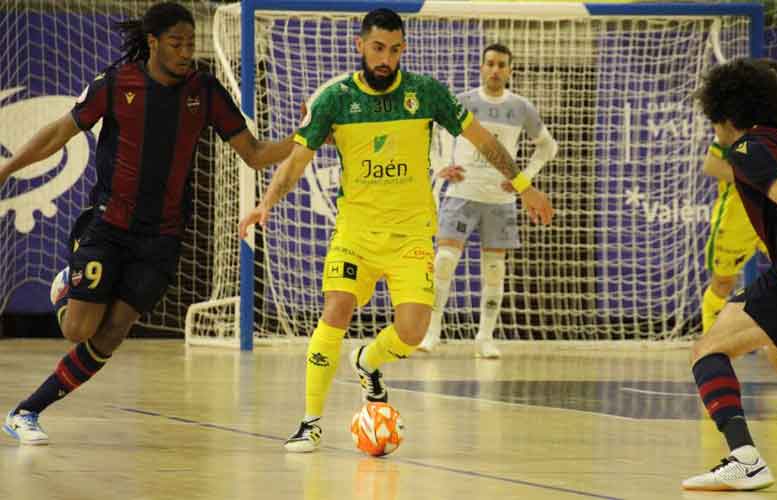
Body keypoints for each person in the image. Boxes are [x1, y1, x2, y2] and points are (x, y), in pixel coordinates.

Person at [238, 8, 554, 453]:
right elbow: (296, 161)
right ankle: (310, 421)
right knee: (337, 309)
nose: (386, 58)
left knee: (411, 331)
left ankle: (367, 361)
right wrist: (265, 204)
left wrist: (525, 187)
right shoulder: (336, 100)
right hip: (356, 234)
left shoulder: (426, 93)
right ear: (360, 46)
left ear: (403, 48)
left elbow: (484, 141)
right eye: (377, 48)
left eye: (395, 49)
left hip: (410, 236)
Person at [0, 2, 293, 445]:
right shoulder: (117, 83)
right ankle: (67, 286)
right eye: (176, 43)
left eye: (191, 43)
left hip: (163, 237)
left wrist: (306, 137)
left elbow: (253, 153)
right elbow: (59, 133)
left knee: (113, 333)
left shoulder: (205, 90)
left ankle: (27, 411)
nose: (186, 51)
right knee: (77, 330)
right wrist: (6, 170)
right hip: (108, 226)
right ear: (153, 42)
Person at [683, 57, 777, 491]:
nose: (714, 130)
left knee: (708, 350)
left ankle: (745, 458)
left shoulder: (748, 148)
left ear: (727, 115)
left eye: (714, 120)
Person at [417, 43, 557, 358]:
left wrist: (525, 178)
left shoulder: (521, 108)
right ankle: (431, 332)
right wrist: (440, 167)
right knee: (443, 262)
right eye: (490, 63)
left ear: (510, 70)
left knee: (495, 268)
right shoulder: (463, 102)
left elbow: (548, 147)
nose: (495, 70)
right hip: (461, 195)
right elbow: (430, 132)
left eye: (501, 65)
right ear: (481, 67)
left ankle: (484, 338)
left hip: (500, 200)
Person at [700, 60, 777, 334]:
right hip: (737, 216)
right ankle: (712, 341)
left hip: (771, 212)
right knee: (723, 283)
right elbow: (711, 166)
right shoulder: (731, 128)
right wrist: (755, 179)